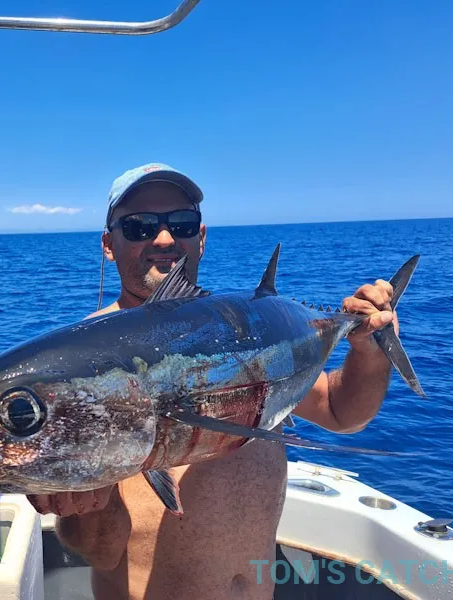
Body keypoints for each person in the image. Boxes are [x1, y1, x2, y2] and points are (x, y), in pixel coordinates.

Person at [27, 163, 398, 600]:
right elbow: (104, 555)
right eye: (140, 226)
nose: (163, 239)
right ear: (109, 244)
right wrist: (85, 502)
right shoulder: (81, 371)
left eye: (180, 223)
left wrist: (369, 350)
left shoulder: (244, 331)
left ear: (200, 237)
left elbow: (340, 411)